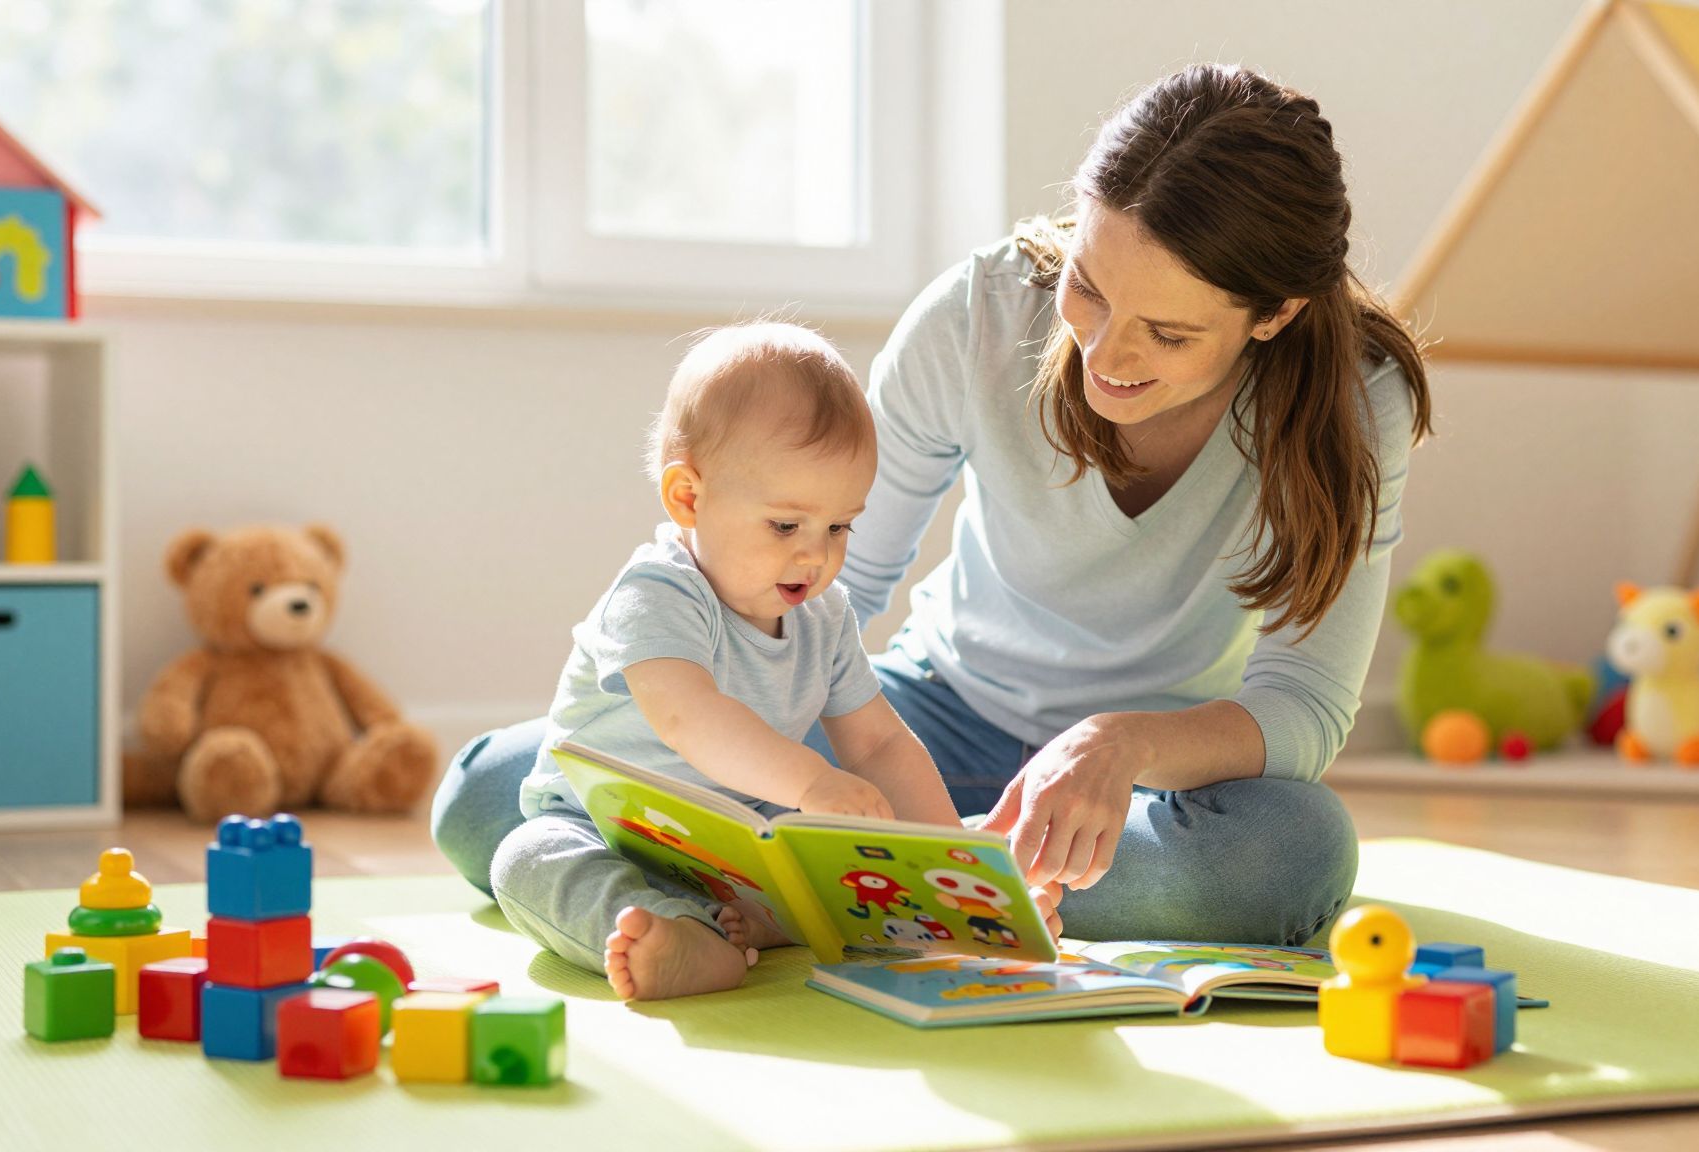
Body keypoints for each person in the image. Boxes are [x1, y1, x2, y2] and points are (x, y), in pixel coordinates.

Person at [434, 62, 1432, 950]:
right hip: (927, 718)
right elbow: (837, 580)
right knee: (492, 795)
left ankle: (835, 883)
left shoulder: (1354, 399)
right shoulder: (984, 311)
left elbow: (1301, 704)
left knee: (1285, 860)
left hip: (1140, 784)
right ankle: (915, 879)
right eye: (1088, 289)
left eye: (1165, 334)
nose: (1104, 353)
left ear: (1273, 316)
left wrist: (1119, 743)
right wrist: (758, 735)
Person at [501, 322, 975, 1001]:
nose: (816, 555)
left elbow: (877, 744)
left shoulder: (825, 614)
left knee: (835, 859)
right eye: (786, 525)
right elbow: (686, 717)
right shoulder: (656, 594)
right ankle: (677, 937)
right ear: (688, 498)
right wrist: (814, 782)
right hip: (600, 827)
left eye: (839, 526)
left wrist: (949, 870)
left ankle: (740, 925)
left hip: (737, 850)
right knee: (526, 860)